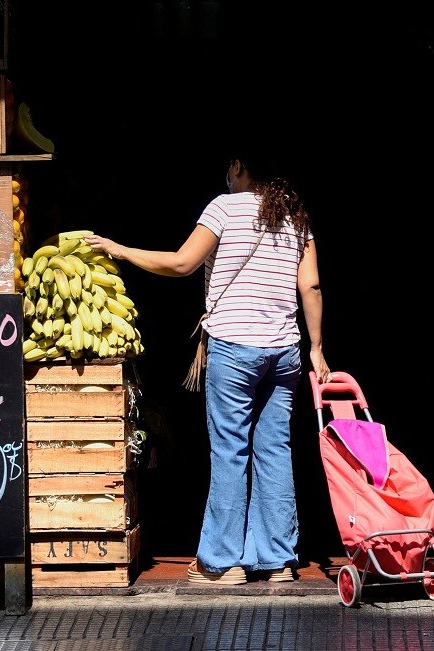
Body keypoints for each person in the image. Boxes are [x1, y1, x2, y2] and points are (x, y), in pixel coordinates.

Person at [82, 149, 332, 585]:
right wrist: (317, 348)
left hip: (235, 347)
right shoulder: (297, 216)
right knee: (274, 449)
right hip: (284, 351)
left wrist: (119, 249)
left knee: (230, 450)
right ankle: (276, 560)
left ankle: (222, 562)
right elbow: (310, 284)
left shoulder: (223, 207)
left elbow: (182, 263)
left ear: (238, 166)